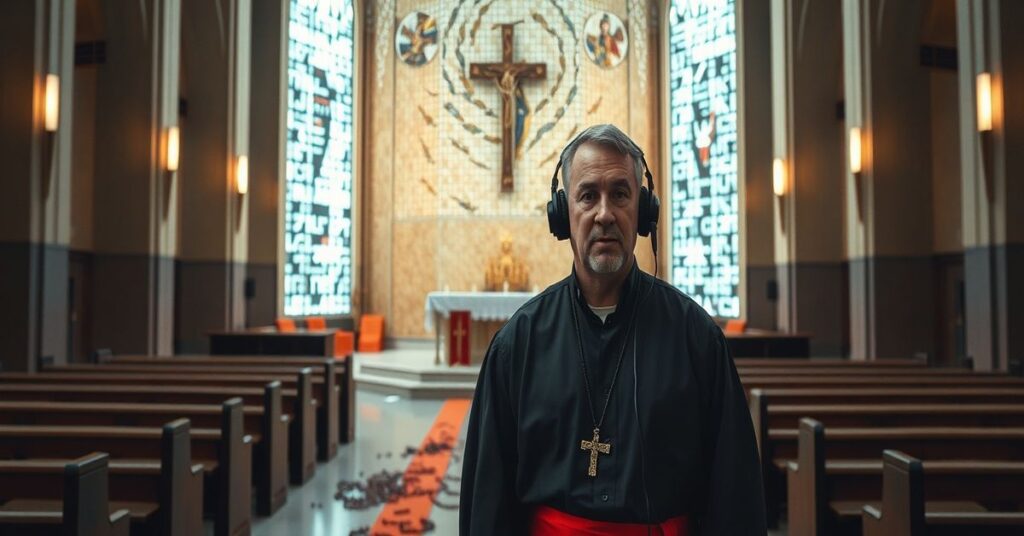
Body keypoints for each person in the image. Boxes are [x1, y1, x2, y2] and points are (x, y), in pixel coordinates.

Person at [460, 124, 766, 535]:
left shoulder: (696, 339)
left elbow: (734, 497)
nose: (604, 213)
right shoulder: (517, 344)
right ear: (563, 215)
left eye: (620, 194)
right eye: (588, 195)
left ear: (642, 211)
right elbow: (488, 501)